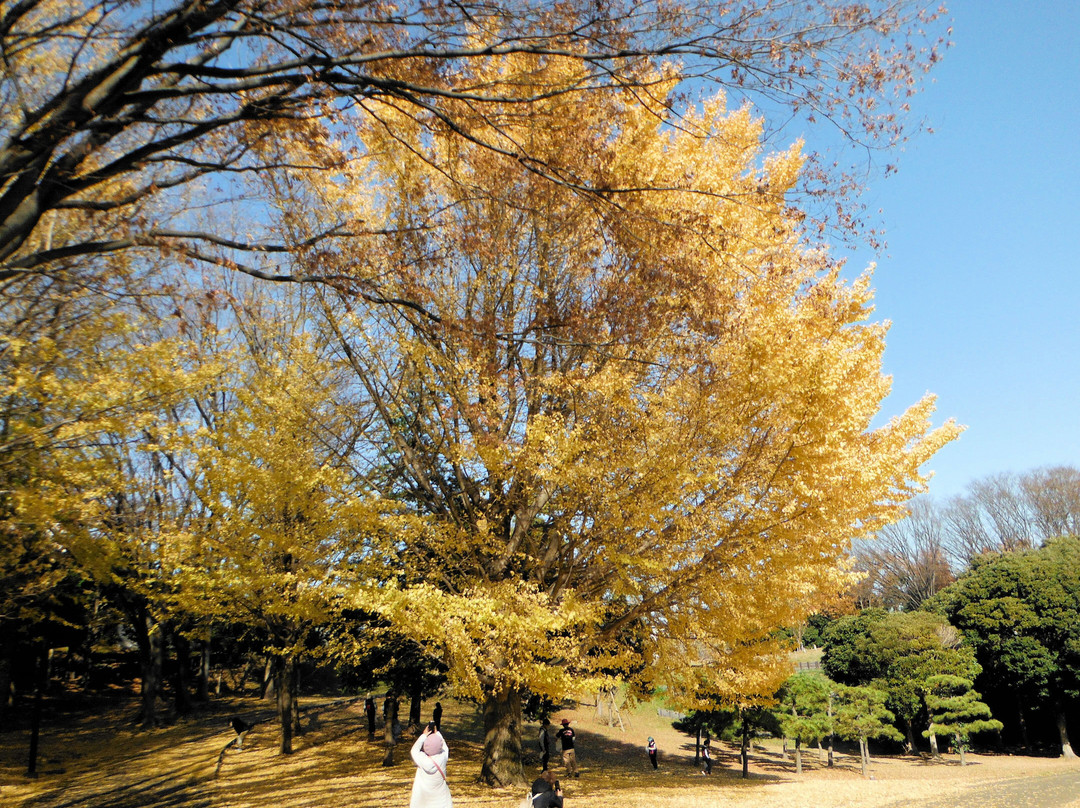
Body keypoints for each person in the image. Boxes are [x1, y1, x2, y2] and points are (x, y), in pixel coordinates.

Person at [410, 722, 452, 808]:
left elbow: (414, 750)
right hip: (441, 802)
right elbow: (445, 747)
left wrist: (424, 735)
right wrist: (437, 733)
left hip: (422, 802)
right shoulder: (443, 757)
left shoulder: (422, 759)